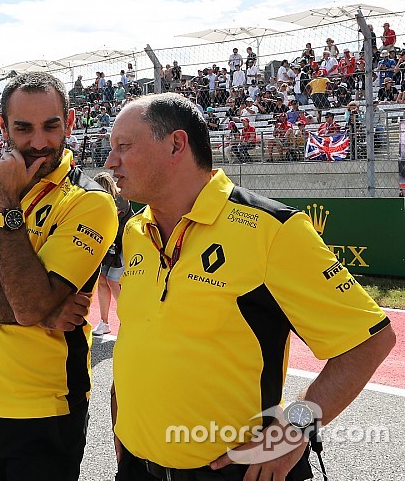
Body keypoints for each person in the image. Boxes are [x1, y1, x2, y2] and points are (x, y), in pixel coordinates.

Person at [105, 93, 395, 480]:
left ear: (176, 144)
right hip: (138, 466)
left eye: (124, 147)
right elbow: (145, 332)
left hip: (230, 472)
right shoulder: (136, 231)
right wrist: (122, 408)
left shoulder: (270, 229)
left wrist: (292, 433)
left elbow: (369, 341)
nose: (111, 163)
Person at [0, 72, 118, 480]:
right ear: (2, 126)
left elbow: (31, 302)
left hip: (47, 409)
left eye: (51, 126)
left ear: (69, 122)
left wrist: (7, 203)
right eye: (23, 128)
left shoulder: (90, 202)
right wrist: (34, 313)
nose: (38, 142)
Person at [91, 172, 132, 336]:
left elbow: (109, 217)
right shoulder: (101, 200)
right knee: (101, 280)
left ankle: (127, 319)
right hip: (109, 244)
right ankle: (104, 322)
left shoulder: (121, 198)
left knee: (113, 281)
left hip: (123, 243)